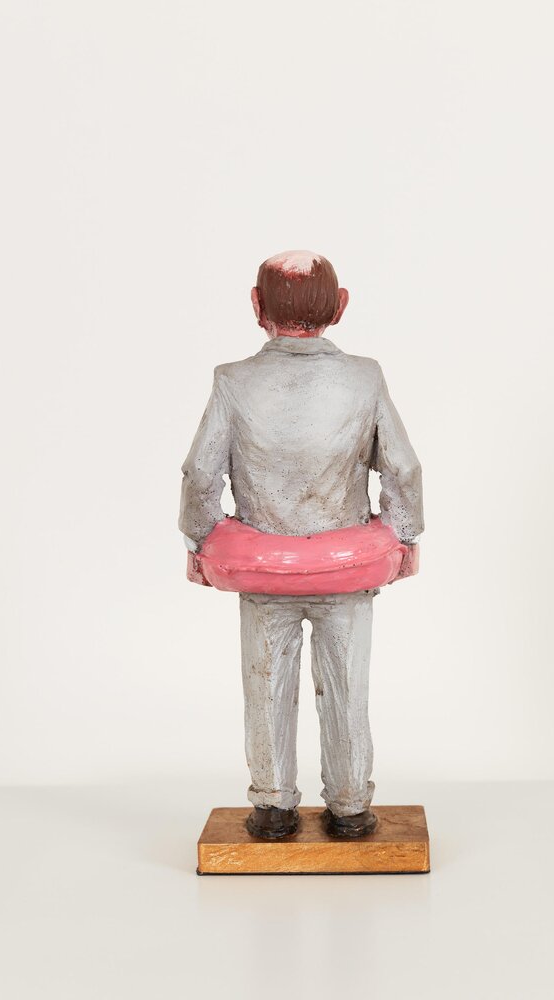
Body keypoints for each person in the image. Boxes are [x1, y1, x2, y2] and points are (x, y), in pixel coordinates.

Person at [179, 251, 423, 839]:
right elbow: (403, 468)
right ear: (340, 307)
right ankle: (350, 807)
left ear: (256, 306)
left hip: (262, 569)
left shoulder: (232, 381)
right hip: (346, 568)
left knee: (264, 684)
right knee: (347, 687)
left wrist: (201, 541)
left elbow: (200, 473)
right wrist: (404, 535)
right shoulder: (365, 377)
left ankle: (272, 806)